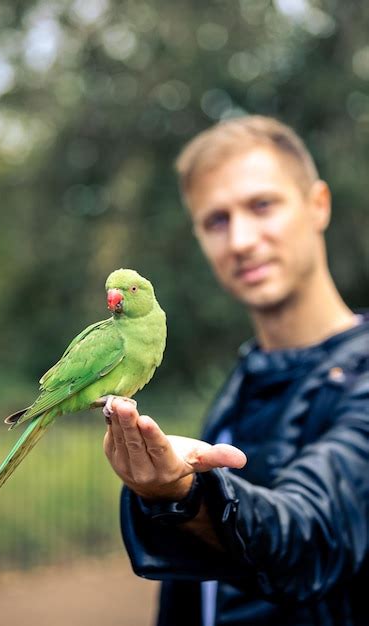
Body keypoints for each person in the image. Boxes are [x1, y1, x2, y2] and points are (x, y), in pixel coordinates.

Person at [103, 116, 369, 626]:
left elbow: (311, 533)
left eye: (262, 205)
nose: (241, 239)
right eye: (216, 220)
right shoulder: (241, 384)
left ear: (318, 205)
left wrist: (187, 495)